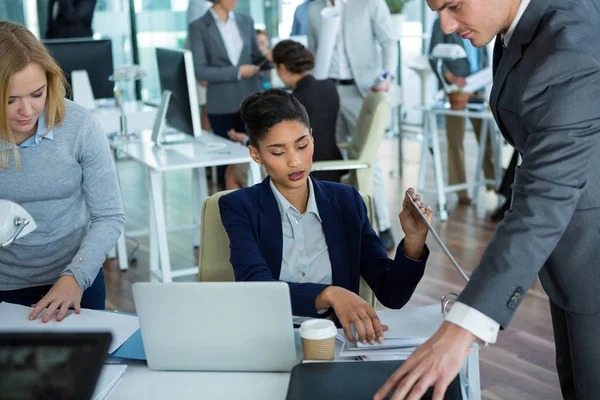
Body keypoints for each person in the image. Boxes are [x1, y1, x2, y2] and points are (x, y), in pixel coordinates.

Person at [376, 1, 600, 399]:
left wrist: (462, 327)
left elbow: (543, 201)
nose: (444, 25)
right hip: (568, 244)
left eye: (454, 5)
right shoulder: (519, 24)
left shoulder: (568, 48)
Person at [219, 89, 432, 343]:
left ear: (312, 138)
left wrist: (414, 241)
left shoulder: (347, 202)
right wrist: (329, 294)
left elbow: (392, 295)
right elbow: (256, 288)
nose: (295, 161)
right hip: (267, 337)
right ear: (256, 154)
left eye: (302, 145)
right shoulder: (239, 206)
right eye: (278, 152)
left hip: (338, 340)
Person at [0, 22, 125, 322]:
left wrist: (76, 277)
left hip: (76, 281)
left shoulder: (81, 126)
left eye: (37, 94)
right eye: (10, 100)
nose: (27, 111)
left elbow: (109, 216)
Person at [308, 0, 397, 250]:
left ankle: (382, 224)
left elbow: (389, 41)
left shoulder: (370, 3)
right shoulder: (315, 10)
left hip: (362, 91)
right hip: (327, 90)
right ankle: (337, 222)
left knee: (370, 159)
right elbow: (313, 50)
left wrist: (387, 74)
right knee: (328, 154)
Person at [226, 39, 344, 187]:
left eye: (275, 67)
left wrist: (245, 139)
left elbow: (278, 144)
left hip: (303, 171)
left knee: (232, 171)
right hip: (333, 169)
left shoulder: (293, 105)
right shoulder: (329, 87)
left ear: (282, 68)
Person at [188, 0, 267, 189]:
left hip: (252, 100)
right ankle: (230, 212)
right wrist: (237, 72)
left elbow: (256, 55)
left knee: (257, 156)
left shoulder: (246, 21)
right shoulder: (199, 26)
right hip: (222, 104)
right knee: (227, 165)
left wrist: (267, 61)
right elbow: (200, 71)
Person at [429, 17, 495, 204]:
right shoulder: (443, 22)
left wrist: (485, 67)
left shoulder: (475, 16)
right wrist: (451, 78)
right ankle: (461, 191)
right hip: (455, 91)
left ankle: (494, 183)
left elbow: (482, 48)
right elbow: (433, 57)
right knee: (455, 141)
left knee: (486, 137)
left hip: (478, 86)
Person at [186, 0, 211, 132]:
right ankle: (206, 138)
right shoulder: (198, 3)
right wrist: (200, 71)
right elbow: (195, 37)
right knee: (205, 105)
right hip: (203, 62)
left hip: (215, 63)